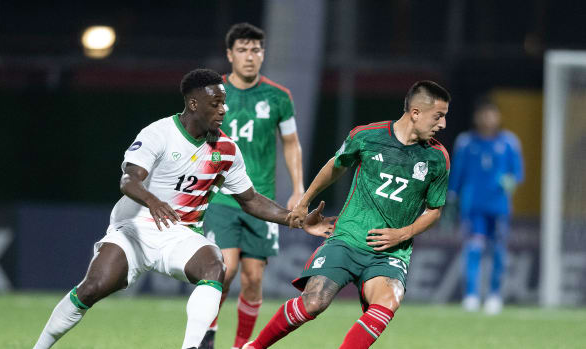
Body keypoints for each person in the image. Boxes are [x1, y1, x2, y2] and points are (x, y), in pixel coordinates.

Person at [32, 68, 333, 349]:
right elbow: (128, 180)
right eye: (215, 103)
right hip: (134, 231)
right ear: (193, 104)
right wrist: (153, 200)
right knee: (91, 288)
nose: (223, 110)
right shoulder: (159, 133)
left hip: (181, 234)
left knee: (215, 265)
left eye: (224, 103)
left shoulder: (226, 150)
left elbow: (251, 200)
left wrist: (296, 220)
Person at [243, 81, 452, 349]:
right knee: (314, 302)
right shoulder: (367, 136)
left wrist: (403, 233)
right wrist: (304, 202)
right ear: (415, 112)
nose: (443, 124)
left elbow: (435, 210)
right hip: (348, 239)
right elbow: (336, 165)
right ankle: (255, 346)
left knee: (390, 300)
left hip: (391, 252)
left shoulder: (437, 158)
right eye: (438, 116)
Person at [199, 23, 305, 349]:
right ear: (230, 55)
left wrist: (299, 187)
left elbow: (290, 142)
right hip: (221, 197)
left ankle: (241, 345)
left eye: (256, 50)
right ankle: (207, 336)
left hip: (262, 199)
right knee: (225, 269)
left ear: (263, 54)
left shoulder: (278, 97)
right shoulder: (211, 94)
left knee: (253, 278)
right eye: (242, 50)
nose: (250, 56)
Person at [448, 99, 524, 315]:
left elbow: (517, 173)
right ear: (476, 117)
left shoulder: (509, 142)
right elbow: (457, 173)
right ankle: (471, 295)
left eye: (491, 114)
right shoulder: (466, 142)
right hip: (473, 207)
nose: (487, 119)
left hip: (499, 207)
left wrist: (510, 182)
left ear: (498, 117)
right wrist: (451, 197)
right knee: (473, 249)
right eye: (483, 114)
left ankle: (494, 295)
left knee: (498, 251)